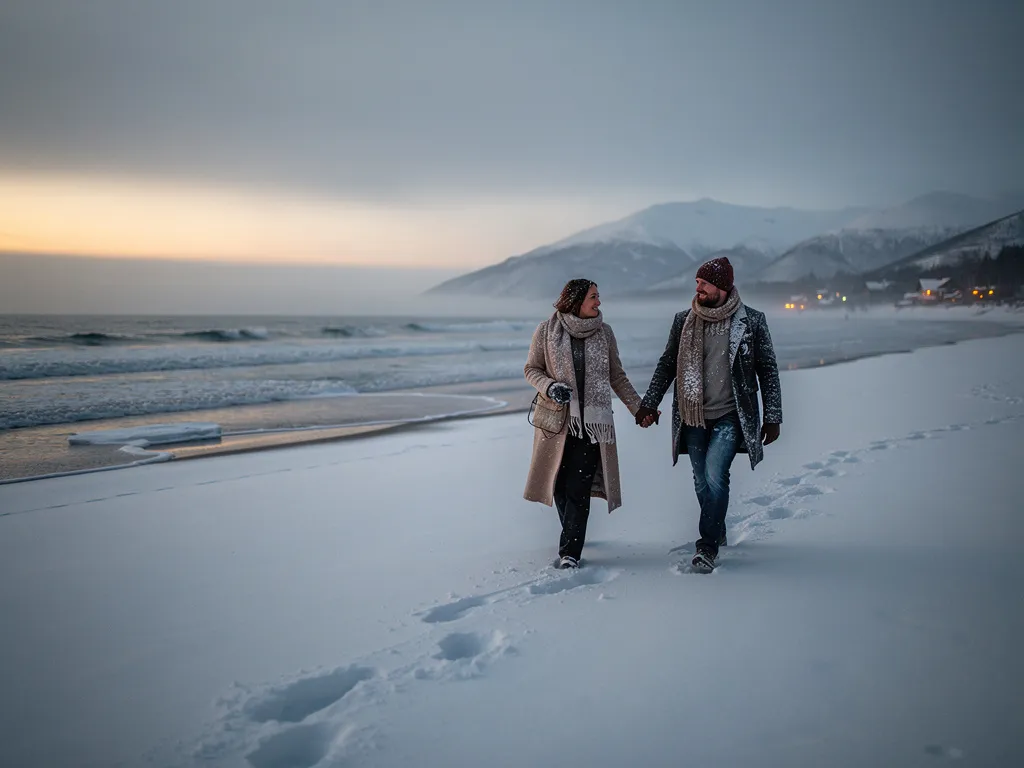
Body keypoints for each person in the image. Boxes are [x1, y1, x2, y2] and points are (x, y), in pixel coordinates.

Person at [634, 257, 782, 573]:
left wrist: (773, 415)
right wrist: (649, 403)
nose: (698, 288)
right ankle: (717, 528)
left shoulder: (751, 321)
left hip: (731, 413)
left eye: (704, 283)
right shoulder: (683, 320)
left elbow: (767, 369)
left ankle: (707, 547)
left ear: (723, 287)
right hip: (692, 415)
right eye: (697, 283)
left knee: (716, 475)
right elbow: (666, 364)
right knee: (702, 482)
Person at [523, 279, 644, 569]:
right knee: (559, 487)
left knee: (578, 487)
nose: (599, 302)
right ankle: (573, 532)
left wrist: (638, 408)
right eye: (593, 297)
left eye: (598, 296)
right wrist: (550, 387)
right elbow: (531, 369)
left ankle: (570, 552)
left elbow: (617, 376)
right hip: (556, 424)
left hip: (592, 425)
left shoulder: (605, 334)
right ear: (576, 301)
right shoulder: (545, 331)